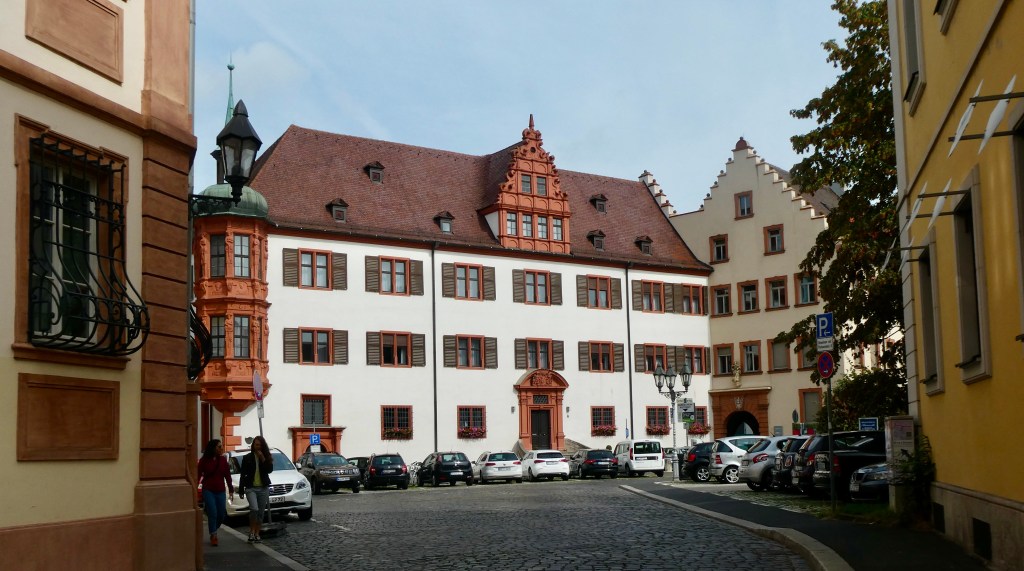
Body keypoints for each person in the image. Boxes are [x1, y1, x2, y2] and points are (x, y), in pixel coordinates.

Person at [197, 439, 234, 547]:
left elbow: (227, 475)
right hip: (208, 490)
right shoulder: (204, 460)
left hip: (220, 490)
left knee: (221, 514)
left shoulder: (222, 460)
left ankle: (214, 528)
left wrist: (231, 489)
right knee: (212, 512)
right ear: (213, 448)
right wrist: (195, 487)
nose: (221, 448)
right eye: (219, 446)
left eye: (221, 446)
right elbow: (198, 475)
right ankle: (213, 534)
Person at [238, 435, 274, 543]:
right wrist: (241, 489)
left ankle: (257, 533)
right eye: (256, 445)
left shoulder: (266, 457)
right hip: (251, 488)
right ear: (253, 445)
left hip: (263, 488)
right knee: (254, 509)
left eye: (260, 445)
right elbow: (243, 474)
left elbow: (269, 470)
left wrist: (263, 458)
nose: (258, 447)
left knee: (261, 513)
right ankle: (251, 531)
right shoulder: (247, 458)